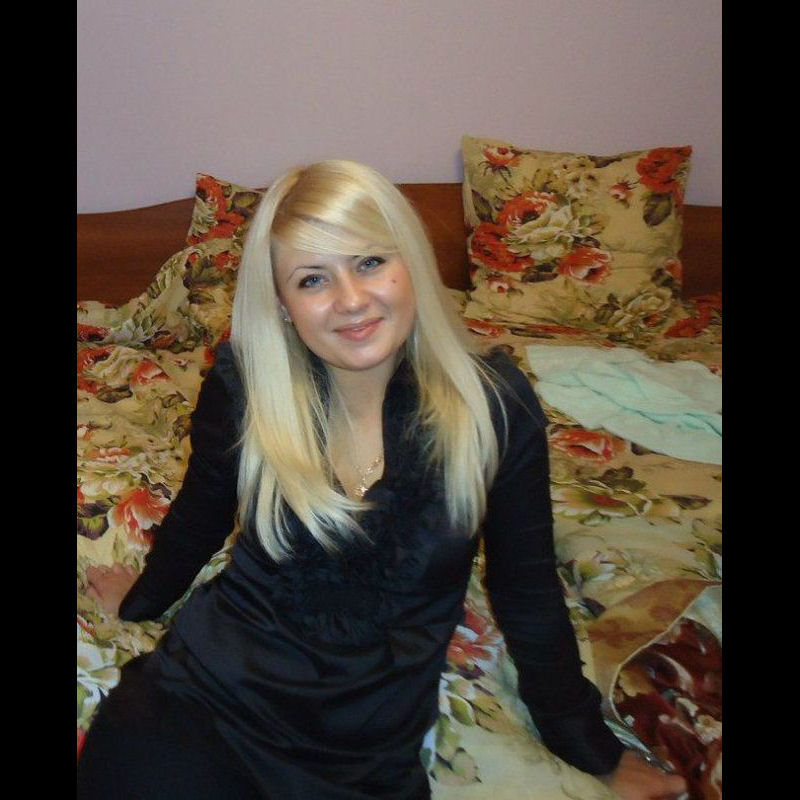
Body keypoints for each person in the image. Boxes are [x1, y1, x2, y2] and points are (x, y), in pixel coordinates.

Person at [78, 160, 687, 800]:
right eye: (313, 279)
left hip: (359, 748)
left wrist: (590, 748)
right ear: (283, 305)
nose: (350, 300)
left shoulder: (492, 408)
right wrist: (141, 600)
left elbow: (526, 587)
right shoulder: (249, 387)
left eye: (369, 262)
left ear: (412, 264)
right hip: (205, 698)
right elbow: (201, 513)